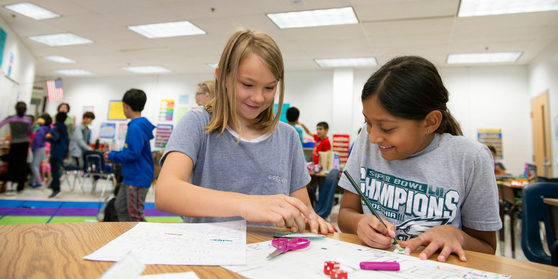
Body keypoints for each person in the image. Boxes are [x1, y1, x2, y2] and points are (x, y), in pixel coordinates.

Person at [155, 28, 334, 234]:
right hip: (209, 254)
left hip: (269, 255)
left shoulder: (288, 137)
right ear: (222, 77)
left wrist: (312, 220)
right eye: (247, 84)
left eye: (269, 87)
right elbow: (166, 193)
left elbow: (302, 211)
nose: (258, 98)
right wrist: (247, 204)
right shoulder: (197, 123)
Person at [337, 56, 501, 262]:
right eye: (368, 122)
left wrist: (456, 236)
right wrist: (359, 223)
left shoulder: (471, 158)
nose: (374, 137)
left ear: (430, 122)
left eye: (387, 128)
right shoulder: (366, 141)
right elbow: (346, 213)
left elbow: (487, 248)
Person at [103, 89, 155, 222]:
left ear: (126, 106)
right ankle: (127, 236)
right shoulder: (136, 125)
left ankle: (142, 240)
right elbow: (131, 151)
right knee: (120, 207)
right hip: (130, 176)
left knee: (135, 214)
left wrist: (112, 156)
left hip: (137, 177)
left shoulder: (135, 127)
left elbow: (133, 154)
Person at [0, 102, 33, 195]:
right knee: (20, 165)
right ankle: (15, 187)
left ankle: (8, 186)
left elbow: (1, 124)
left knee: (12, 164)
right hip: (24, 143)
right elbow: (29, 132)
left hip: (14, 142)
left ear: (15, 108)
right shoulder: (28, 119)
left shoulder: (10, 118)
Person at [46, 112, 70, 198]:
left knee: (54, 171)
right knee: (57, 169)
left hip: (56, 151)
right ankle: (54, 185)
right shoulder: (65, 128)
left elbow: (54, 138)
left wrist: (46, 138)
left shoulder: (56, 128)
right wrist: (65, 153)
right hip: (62, 152)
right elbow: (67, 141)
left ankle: (56, 188)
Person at [29, 113, 52, 188]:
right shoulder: (48, 128)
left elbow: (37, 140)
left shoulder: (41, 129)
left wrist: (33, 148)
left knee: (33, 165)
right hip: (43, 147)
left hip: (38, 147)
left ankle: (39, 181)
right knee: (36, 165)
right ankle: (33, 181)